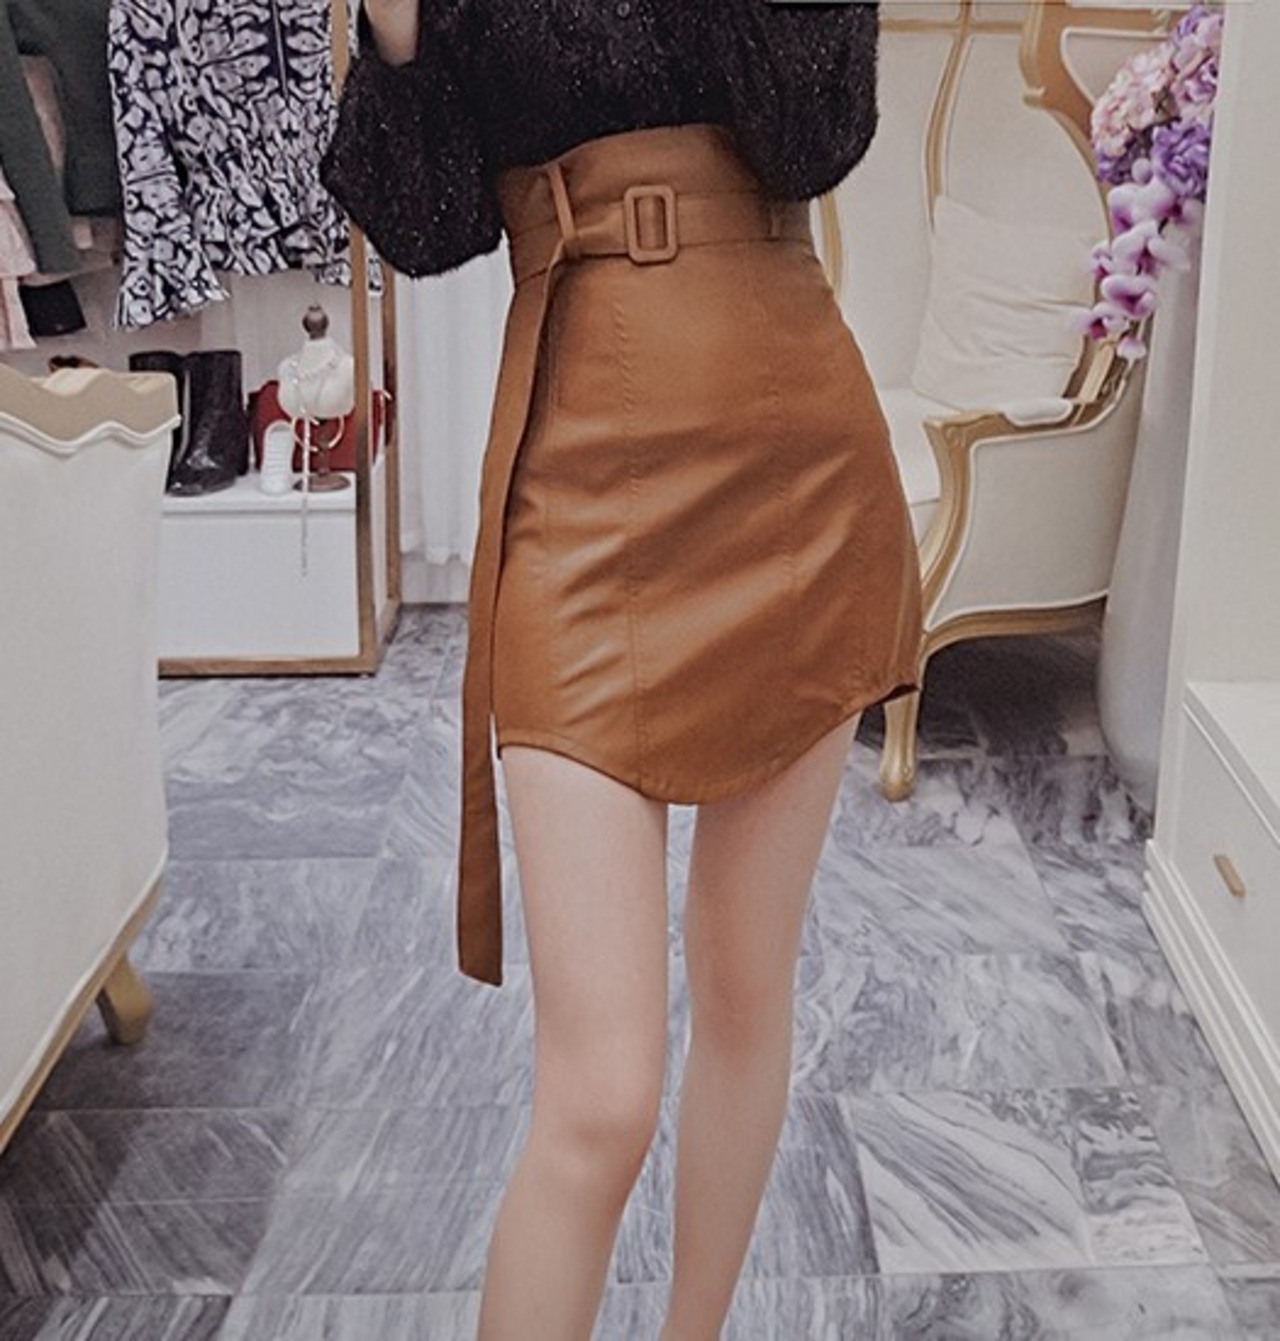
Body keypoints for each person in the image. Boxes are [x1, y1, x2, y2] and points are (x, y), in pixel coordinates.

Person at [321, 2, 922, 1337]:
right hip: (577, 485)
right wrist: (396, 36)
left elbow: (818, 132)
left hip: (792, 465)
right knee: (600, 1097)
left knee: (747, 981)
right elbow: (428, 225)